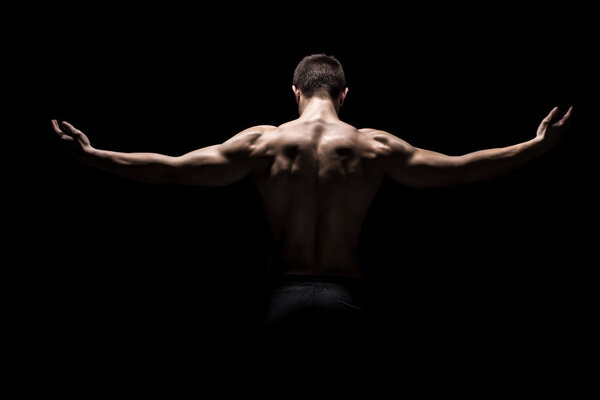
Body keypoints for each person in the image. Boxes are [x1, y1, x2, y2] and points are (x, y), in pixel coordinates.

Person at [52, 54, 573, 344]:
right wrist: (534, 146)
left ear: (295, 92)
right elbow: (461, 171)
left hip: (284, 300)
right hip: (349, 298)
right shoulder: (373, 145)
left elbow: (173, 171)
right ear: (345, 95)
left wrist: (94, 155)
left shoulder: (263, 142)